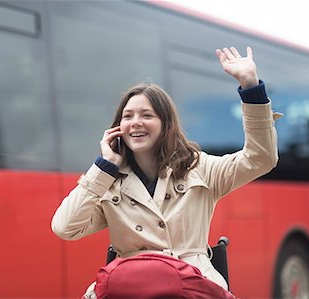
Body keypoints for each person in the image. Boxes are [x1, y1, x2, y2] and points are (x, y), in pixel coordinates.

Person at [51, 47, 282, 298]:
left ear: (165, 124)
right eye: (128, 116)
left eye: (146, 115)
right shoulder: (107, 180)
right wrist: (103, 168)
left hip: (192, 287)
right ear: (118, 127)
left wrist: (250, 87)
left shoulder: (199, 168)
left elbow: (260, 158)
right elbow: (65, 228)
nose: (135, 122)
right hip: (127, 290)